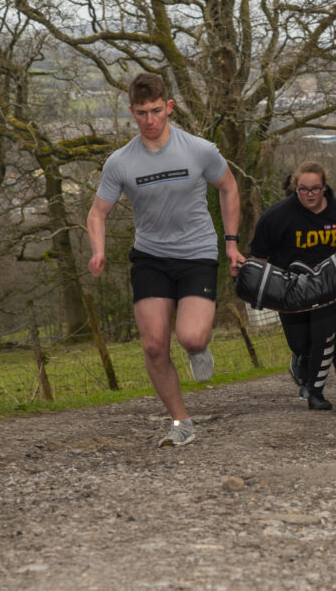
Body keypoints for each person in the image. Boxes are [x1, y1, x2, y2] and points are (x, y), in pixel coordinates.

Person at [87, 72, 245, 447]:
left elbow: (229, 187)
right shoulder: (120, 162)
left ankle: (198, 346)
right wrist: (98, 249)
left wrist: (232, 243)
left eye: (157, 111)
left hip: (196, 253)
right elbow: (97, 213)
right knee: (154, 345)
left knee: (189, 338)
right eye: (141, 113)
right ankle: (180, 422)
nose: (150, 120)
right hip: (151, 256)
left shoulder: (199, 150)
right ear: (132, 113)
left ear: (169, 107)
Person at [249, 161, 336, 410]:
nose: (310, 195)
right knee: (300, 343)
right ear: (295, 188)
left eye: (315, 189)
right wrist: (259, 289)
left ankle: (316, 392)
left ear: (324, 187)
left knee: (323, 337)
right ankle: (301, 362)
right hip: (290, 290)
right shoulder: (276, 217)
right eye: (303, 189)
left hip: (327, 287)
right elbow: (259, 257)